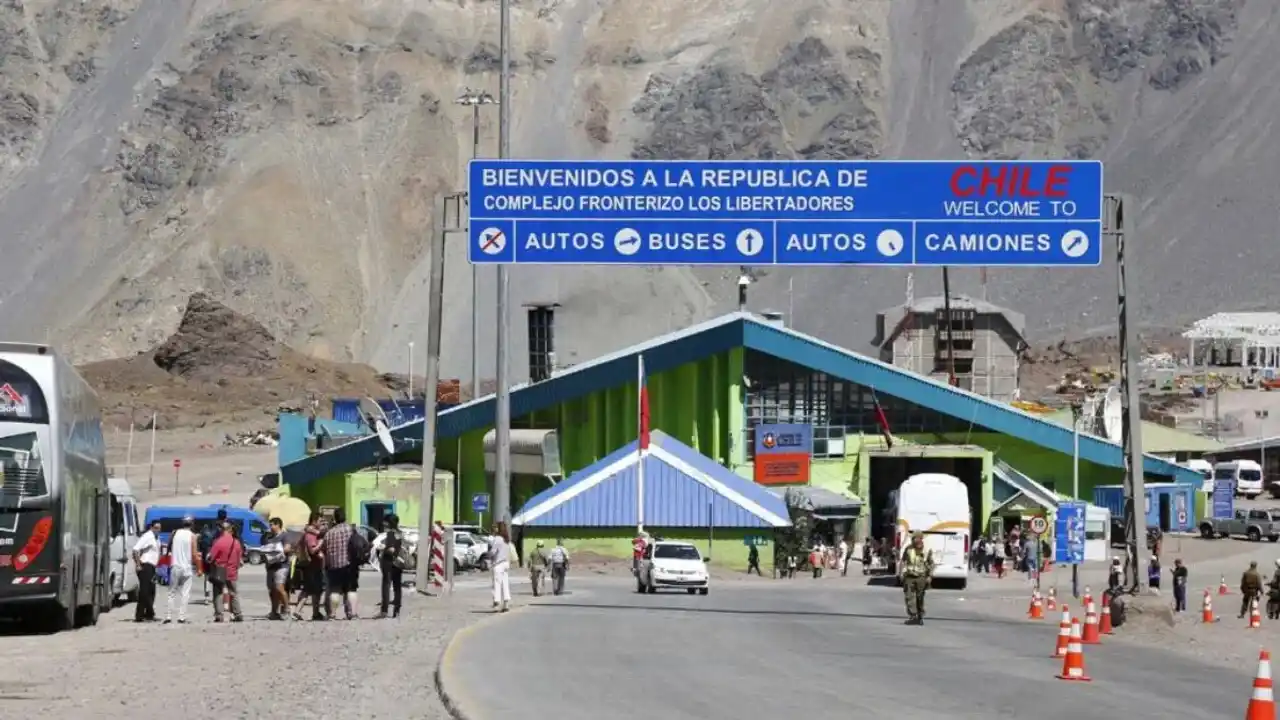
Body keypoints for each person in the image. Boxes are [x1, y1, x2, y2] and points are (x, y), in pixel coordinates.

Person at [321, 508, 360, 620]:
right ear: (345, 517)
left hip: (334, 566)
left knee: (335, 591)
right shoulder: (351, 530)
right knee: (351, 590)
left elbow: (324, 549)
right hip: (350, 565)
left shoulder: (329, 533)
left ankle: (332, 614)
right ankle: (353, 614)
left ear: (335, 518)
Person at [164, 516, 200, 624]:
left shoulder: (174, 533)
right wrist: (199, 568)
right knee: (185, 593)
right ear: (192, 524)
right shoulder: (192, 536)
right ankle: (181, 617)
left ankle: (169, 616)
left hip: (175, 565)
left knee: (171, 592)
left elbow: (168, 547)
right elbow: (194, 554)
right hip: (187, 567)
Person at [207, 522, 244, 622]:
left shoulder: (218, 542)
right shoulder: (236, 542)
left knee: (218, 593)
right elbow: (239, 559)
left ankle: (219, 615)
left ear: (222, 529)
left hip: (220, 571)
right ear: (230, 529)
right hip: (232, 571)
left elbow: (210, 557)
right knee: (233, 593)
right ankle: (238, 614)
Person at [131, 519, 162, 622]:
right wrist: (138, 564)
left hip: (152, 567)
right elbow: (135, 550)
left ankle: (149, 614)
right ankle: (139, 615)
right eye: (156, 528)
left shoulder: (157, 538)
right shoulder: (147, 536)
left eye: (159, 528)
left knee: (151, 591)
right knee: (144, 591)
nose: (158, 530)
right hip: (145, 566)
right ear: (151, 527)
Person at [900, 532, 934, 625]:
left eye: (916, 538)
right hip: (909, 576)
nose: (914, 540)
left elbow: (931, 564)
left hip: (921, 576)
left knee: (920, 597)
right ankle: (913, 616)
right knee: (909, 596)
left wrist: (930, 576)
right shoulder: (908, 549)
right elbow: (903, 561)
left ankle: (920, 615)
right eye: (913, 539)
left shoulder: (927, 550)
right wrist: (901, 573)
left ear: (920, 539)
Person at [377, 514, 405, 619]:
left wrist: (382, 548)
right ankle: (397, 610)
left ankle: (384, 611)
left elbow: (391, 549)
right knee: (397, 587)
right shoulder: (400, 534)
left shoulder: (389, 534)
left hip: (388, 563)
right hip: (399, 562)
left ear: (389, 523)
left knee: (386, 586)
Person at [261, 517, 289, 620]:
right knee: (272, 590)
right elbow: (264, 547)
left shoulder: (284, 535)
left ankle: (286, 609)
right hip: (270, 566)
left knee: (279, 588)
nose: (270, 527)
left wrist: (277, 555)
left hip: (281, 565)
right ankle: (274, 611)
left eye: (272, 525)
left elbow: (287, 548)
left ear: (278, 525)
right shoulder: (269, 536)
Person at [489, 523, 512, 612]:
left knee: (497, 584)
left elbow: (493, 552)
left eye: (496, 527)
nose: (495, 529)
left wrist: (489, 554)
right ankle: (506, 604)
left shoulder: (498, 539)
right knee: (505, 584)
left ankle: (496, 603)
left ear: (499, 529)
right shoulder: (507, 539)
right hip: (506, 563)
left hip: (498, 564)